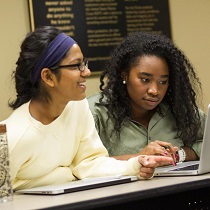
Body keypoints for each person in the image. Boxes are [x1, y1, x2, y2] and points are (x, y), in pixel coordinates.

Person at [1, 26, 174, 191]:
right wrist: (66, 174)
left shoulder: (77, 107)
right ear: (48, 76)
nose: (87, 72)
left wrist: (136, 164)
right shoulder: (12, 136)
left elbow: (88, 164)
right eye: (76, 66)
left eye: (84, 63)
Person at [88, 31, 206, 163]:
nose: (154, 91)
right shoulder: (93, 112)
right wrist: (139, 158)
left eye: (163, 82)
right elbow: (82, 165)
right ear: (124, 75)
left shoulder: (178, 110)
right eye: (145, 79)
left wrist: (180, 155)